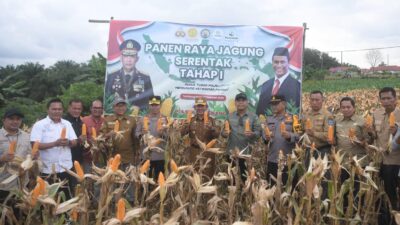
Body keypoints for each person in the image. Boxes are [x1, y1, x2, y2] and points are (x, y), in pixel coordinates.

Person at [30, 98, 78, 199]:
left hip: (66, 169)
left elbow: (75, 142)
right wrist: (55, 143)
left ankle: (65, 215)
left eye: (59, 109)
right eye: (54, 109)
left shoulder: (67, 124)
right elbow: (34, 144)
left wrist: (68, 142)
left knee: (66, 198)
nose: (57, 111)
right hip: (47, 170)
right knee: (47, 200)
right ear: (48, 110)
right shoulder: (40, 125)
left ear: (62, 110)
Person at [367, 87, 399, 212]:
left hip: (394, 161)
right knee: (380, 192)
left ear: (395, 99)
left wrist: (396, 134)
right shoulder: (376, 114)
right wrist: (370, 133)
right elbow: (375, 136)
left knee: (392, 193)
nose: (386, 101)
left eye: (389, 98)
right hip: (379, 160)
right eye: (383, 98)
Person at [100, 97, 138, 202]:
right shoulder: (107, 120)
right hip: (112, 157)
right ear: (114, 107)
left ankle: (129, 202)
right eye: (118, 105)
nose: (121, 108)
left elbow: (135, 138)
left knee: (129, 180)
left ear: (126, 107)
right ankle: (113, 202)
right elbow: (101, 137)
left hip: (128, 156)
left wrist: (137, 154)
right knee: (114, 180)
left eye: (123, 105)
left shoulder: (132, 120)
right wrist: (108, 134)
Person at [105, 39, 154, 112]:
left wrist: (139, 109)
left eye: (132, 56)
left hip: (137, 119)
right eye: (126, 56)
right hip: (116, 117)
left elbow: (151, 102)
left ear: (137, 59)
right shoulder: (111, 77)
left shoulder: (145, 78)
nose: (129, 60)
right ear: (121, 58)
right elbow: (106, 100)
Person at [222, 93, 261, 180]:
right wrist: (225, 133)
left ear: (247, 102)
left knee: (245, 179)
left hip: (247, 154)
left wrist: (252, 134)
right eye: (238, 101)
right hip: (232, 153)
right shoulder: (229, 116)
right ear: (235, 103)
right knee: (231, 179)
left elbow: (259, 133)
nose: (240, 103)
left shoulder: (253, 117)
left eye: (243, 101)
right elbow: (223, 133)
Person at [180, 97, 220, 180]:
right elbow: (181, 134)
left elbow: (217, 135)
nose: (200, 108)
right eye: (198, 106)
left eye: (202, 106)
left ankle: (208, 193)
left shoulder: (212, 120)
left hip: (208, 153)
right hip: (194, 152)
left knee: (208, 175)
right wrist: (185, 126)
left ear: (206, 107)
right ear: (195, 107)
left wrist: (212, 128)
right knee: (195, 175)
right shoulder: (190, 120)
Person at [262, 95, 298, 185]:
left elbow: (300, 136)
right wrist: (266, 138)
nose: (273, 106)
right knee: (271, 189)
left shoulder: (294, 118)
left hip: (288, 161)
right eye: (272, 104)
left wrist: (290, 136)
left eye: (276, 104)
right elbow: (264, 137)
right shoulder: (268, 119)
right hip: (273, 159)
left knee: (288, 188)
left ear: (284, 104)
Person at [256, 47, 301, 116]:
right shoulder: (266, 85)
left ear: (288, 63)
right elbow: (259, 111)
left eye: (282, 62)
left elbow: (297, 111)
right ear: (272, 63)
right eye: (276, 62)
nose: (279, 65)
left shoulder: (297, 86)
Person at [0, 109, 33, 200]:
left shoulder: (26, 136)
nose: (15, 121)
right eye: (11, 119)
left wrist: (33, 157)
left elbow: (29, 156)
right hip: (3, 185)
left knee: (19, 213)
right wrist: (2, 158)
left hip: (22, 184)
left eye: (18, 119)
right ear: (4, 120)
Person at [135, 96, 168, 181]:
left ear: (160, 106)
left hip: (160, 157)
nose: (154, 107)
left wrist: (163, 133)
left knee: (158, 182)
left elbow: (170, 137)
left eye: (156, 105)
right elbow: (136, 134)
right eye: (152, 105)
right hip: (145, 156)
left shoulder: (165, 119)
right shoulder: (142, 119)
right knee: (145, 182)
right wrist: (142, 135)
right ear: (149, 106)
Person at [303, 91, 334, 157]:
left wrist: (314, 133)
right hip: (308, 150)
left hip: (322, 151)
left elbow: (329, 135)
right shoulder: (306, 115)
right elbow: (303, 131)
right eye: (312, 100)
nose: (314, 102)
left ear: (322, 100)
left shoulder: (328, 116)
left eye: (317, 100)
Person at [82, 99, 105, 171]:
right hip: (88, 159)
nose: (97, 110)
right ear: (91, 108)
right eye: (95, 108)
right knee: (88, 181)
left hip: (102, 159)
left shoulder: (106, 121)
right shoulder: (84, 120)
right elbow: (80, 139)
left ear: (102, 109)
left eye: (99, 108)